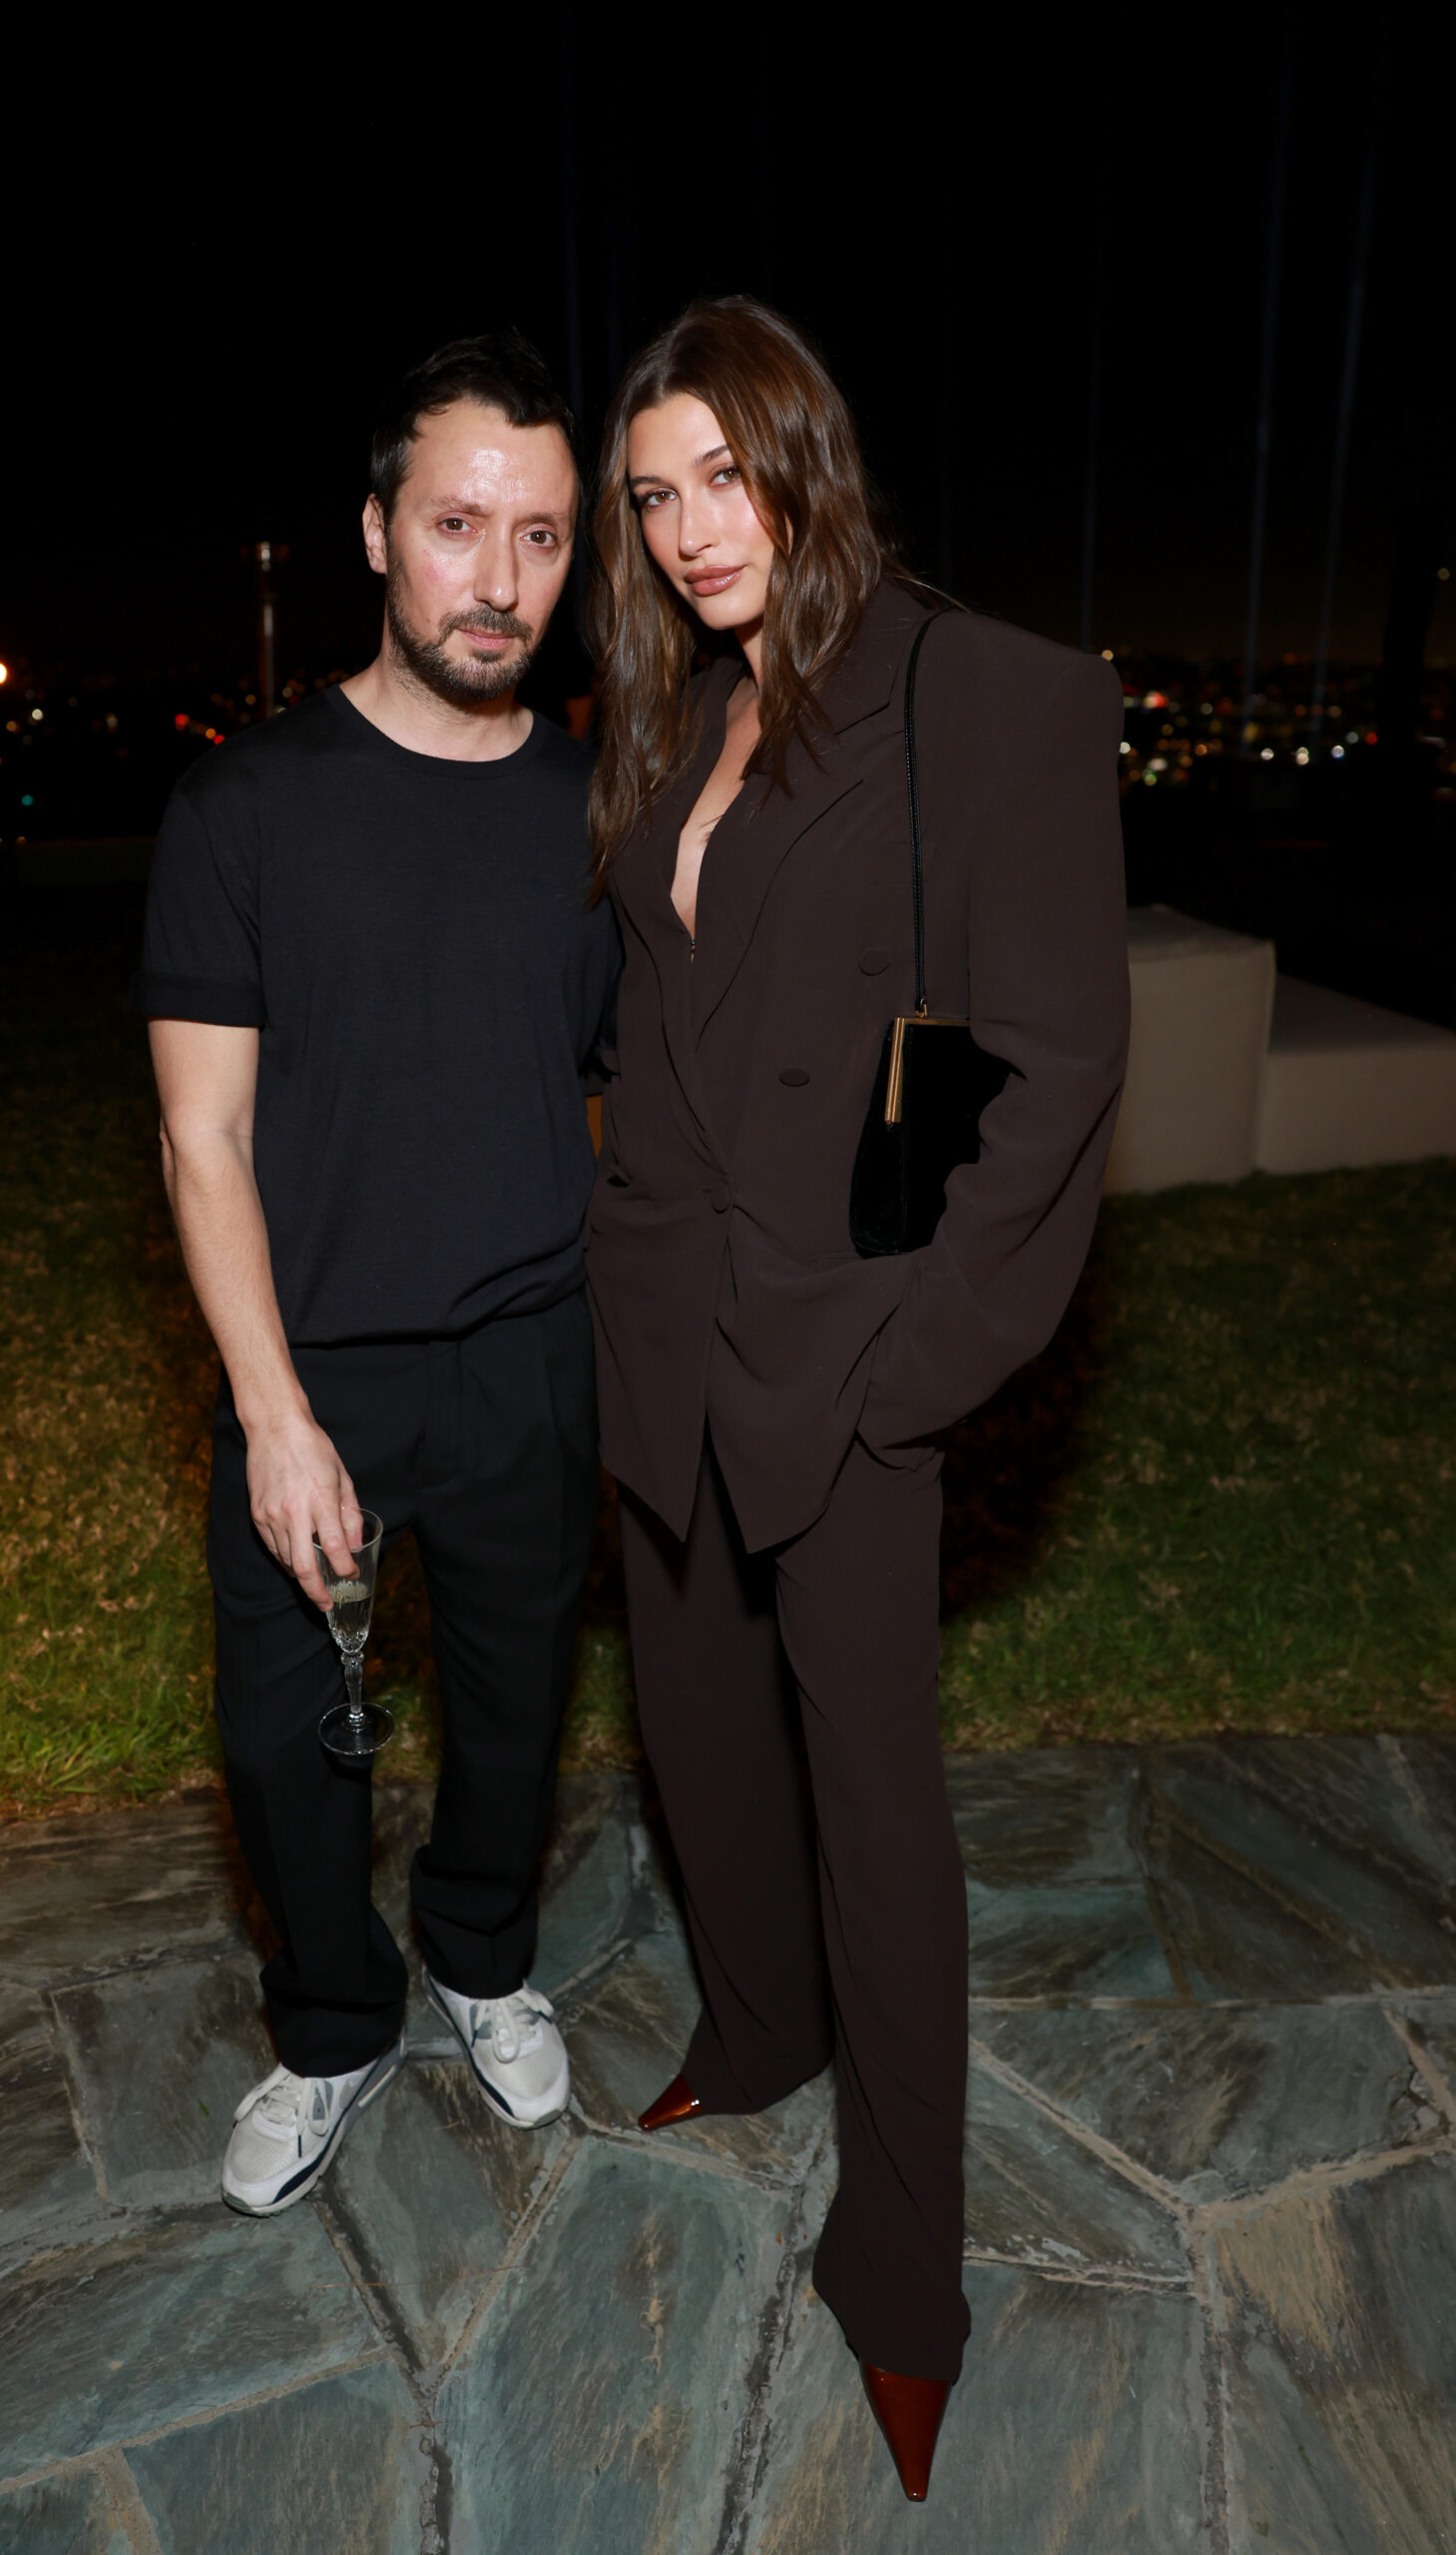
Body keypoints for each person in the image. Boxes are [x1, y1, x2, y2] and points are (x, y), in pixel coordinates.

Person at [583, 297, 1130, 2501]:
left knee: (877, 1812)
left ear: (808, 454)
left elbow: (1058, 1075)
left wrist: (918, 1372)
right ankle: (754, 2024)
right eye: (654, 496)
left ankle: (903, 2272)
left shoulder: (990, 695)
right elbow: (659, 1011)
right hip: (664, 1328)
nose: (692, 530)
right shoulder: (681, 705)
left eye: (727, 475)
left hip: (851, 1353)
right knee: (697, 1729)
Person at [138, 332, 619, 2216]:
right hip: (314, 1362)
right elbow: (203, 1139)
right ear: (375, 532)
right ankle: (331, 2023)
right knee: (283, 1745)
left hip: (531, 1356)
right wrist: (273, 1415)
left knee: (515, 1713)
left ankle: (484, 1957)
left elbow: (621, 1083)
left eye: (541, 537)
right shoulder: (241, 810)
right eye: (456, 525)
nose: (498, 579)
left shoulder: (593, 809)